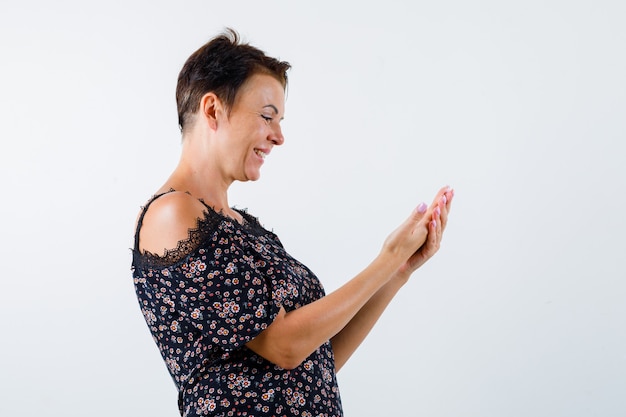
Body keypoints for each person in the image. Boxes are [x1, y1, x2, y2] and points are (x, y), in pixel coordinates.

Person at [131, 28, 454, 417]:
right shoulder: (173, 215)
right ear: (213, 109)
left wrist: (398, 271)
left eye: (280, 120)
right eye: (267, 116)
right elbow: (283, 347)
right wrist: (385, 259)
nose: (279, 136)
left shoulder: (244, 227)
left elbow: (316, 359)